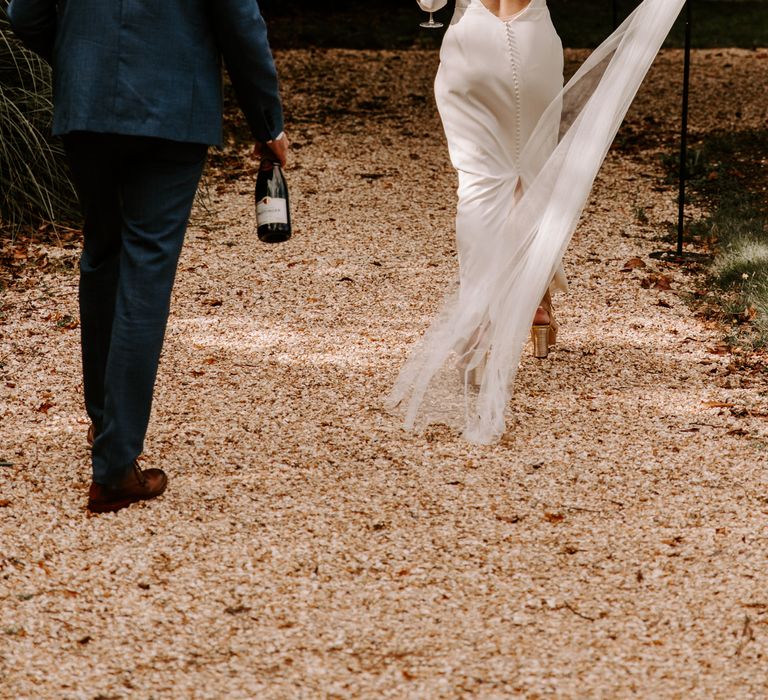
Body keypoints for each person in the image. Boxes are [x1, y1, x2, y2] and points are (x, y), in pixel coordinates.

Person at [8, 0, 289, 513]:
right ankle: (114, 467)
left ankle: (106, 424)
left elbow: (25, 13)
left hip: (87, 105)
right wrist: (267, 123)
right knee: (147, 267)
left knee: (103, 253)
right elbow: (241, 23)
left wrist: (80, 62)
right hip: (171, 109)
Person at [389, 0, 686, 443]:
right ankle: (540, 307)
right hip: (534, 48)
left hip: (472, 48)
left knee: (480, 186)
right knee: (535, 177)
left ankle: (474, 334)